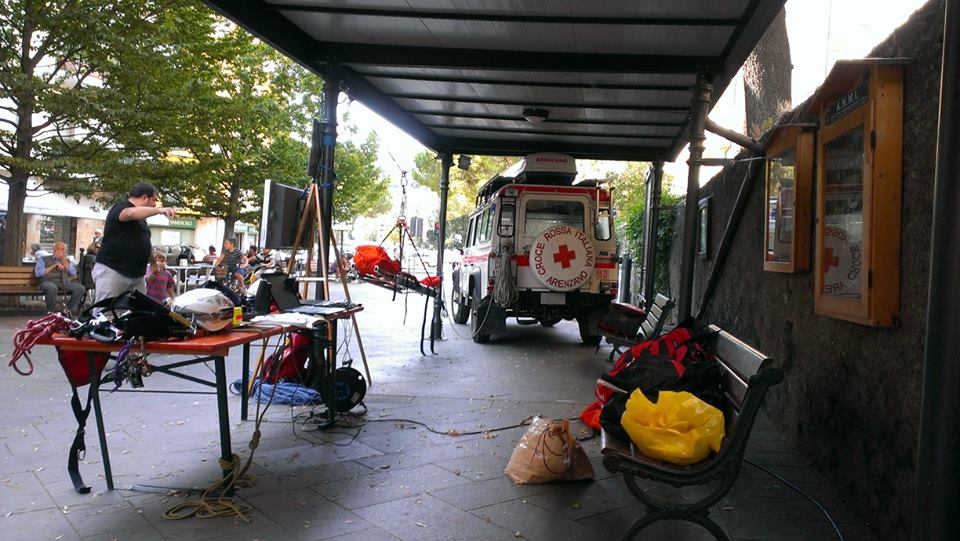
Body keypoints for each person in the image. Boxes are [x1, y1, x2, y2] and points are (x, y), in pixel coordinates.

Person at [93, 182, 176, 303]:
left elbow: (144, 242)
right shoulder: (120, 207)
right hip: (114, 270)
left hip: (137, 275)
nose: (154, 204)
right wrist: (159, 210)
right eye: (154, 200)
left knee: (136, 313)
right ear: (144, 197)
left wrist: (153, 263)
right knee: (107, 312)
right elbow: (130, 213)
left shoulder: (142, 220)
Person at [35, 241, 86, 314]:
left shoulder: (67, 261)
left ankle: (68, 309)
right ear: (54, 250)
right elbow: (38, 273)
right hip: (47, 282)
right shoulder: (43, 259)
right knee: (52, 288)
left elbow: (73, 272)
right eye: (58, 249)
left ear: (65, 251)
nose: (60, 251)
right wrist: (52, 267)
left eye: (63, 249)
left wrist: (64, 261)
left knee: (80, 288)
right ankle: (50, 312)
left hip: (64, 282)